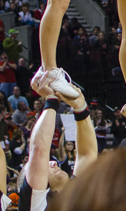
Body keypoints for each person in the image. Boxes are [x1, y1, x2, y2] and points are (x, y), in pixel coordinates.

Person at [16, 76, 96, 211]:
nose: (54, 162)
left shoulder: (73, 196)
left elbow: (87, 155)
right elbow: (39, 151)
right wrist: (51, 100)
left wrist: (80, 107)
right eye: (45, 165)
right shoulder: (35, 205)